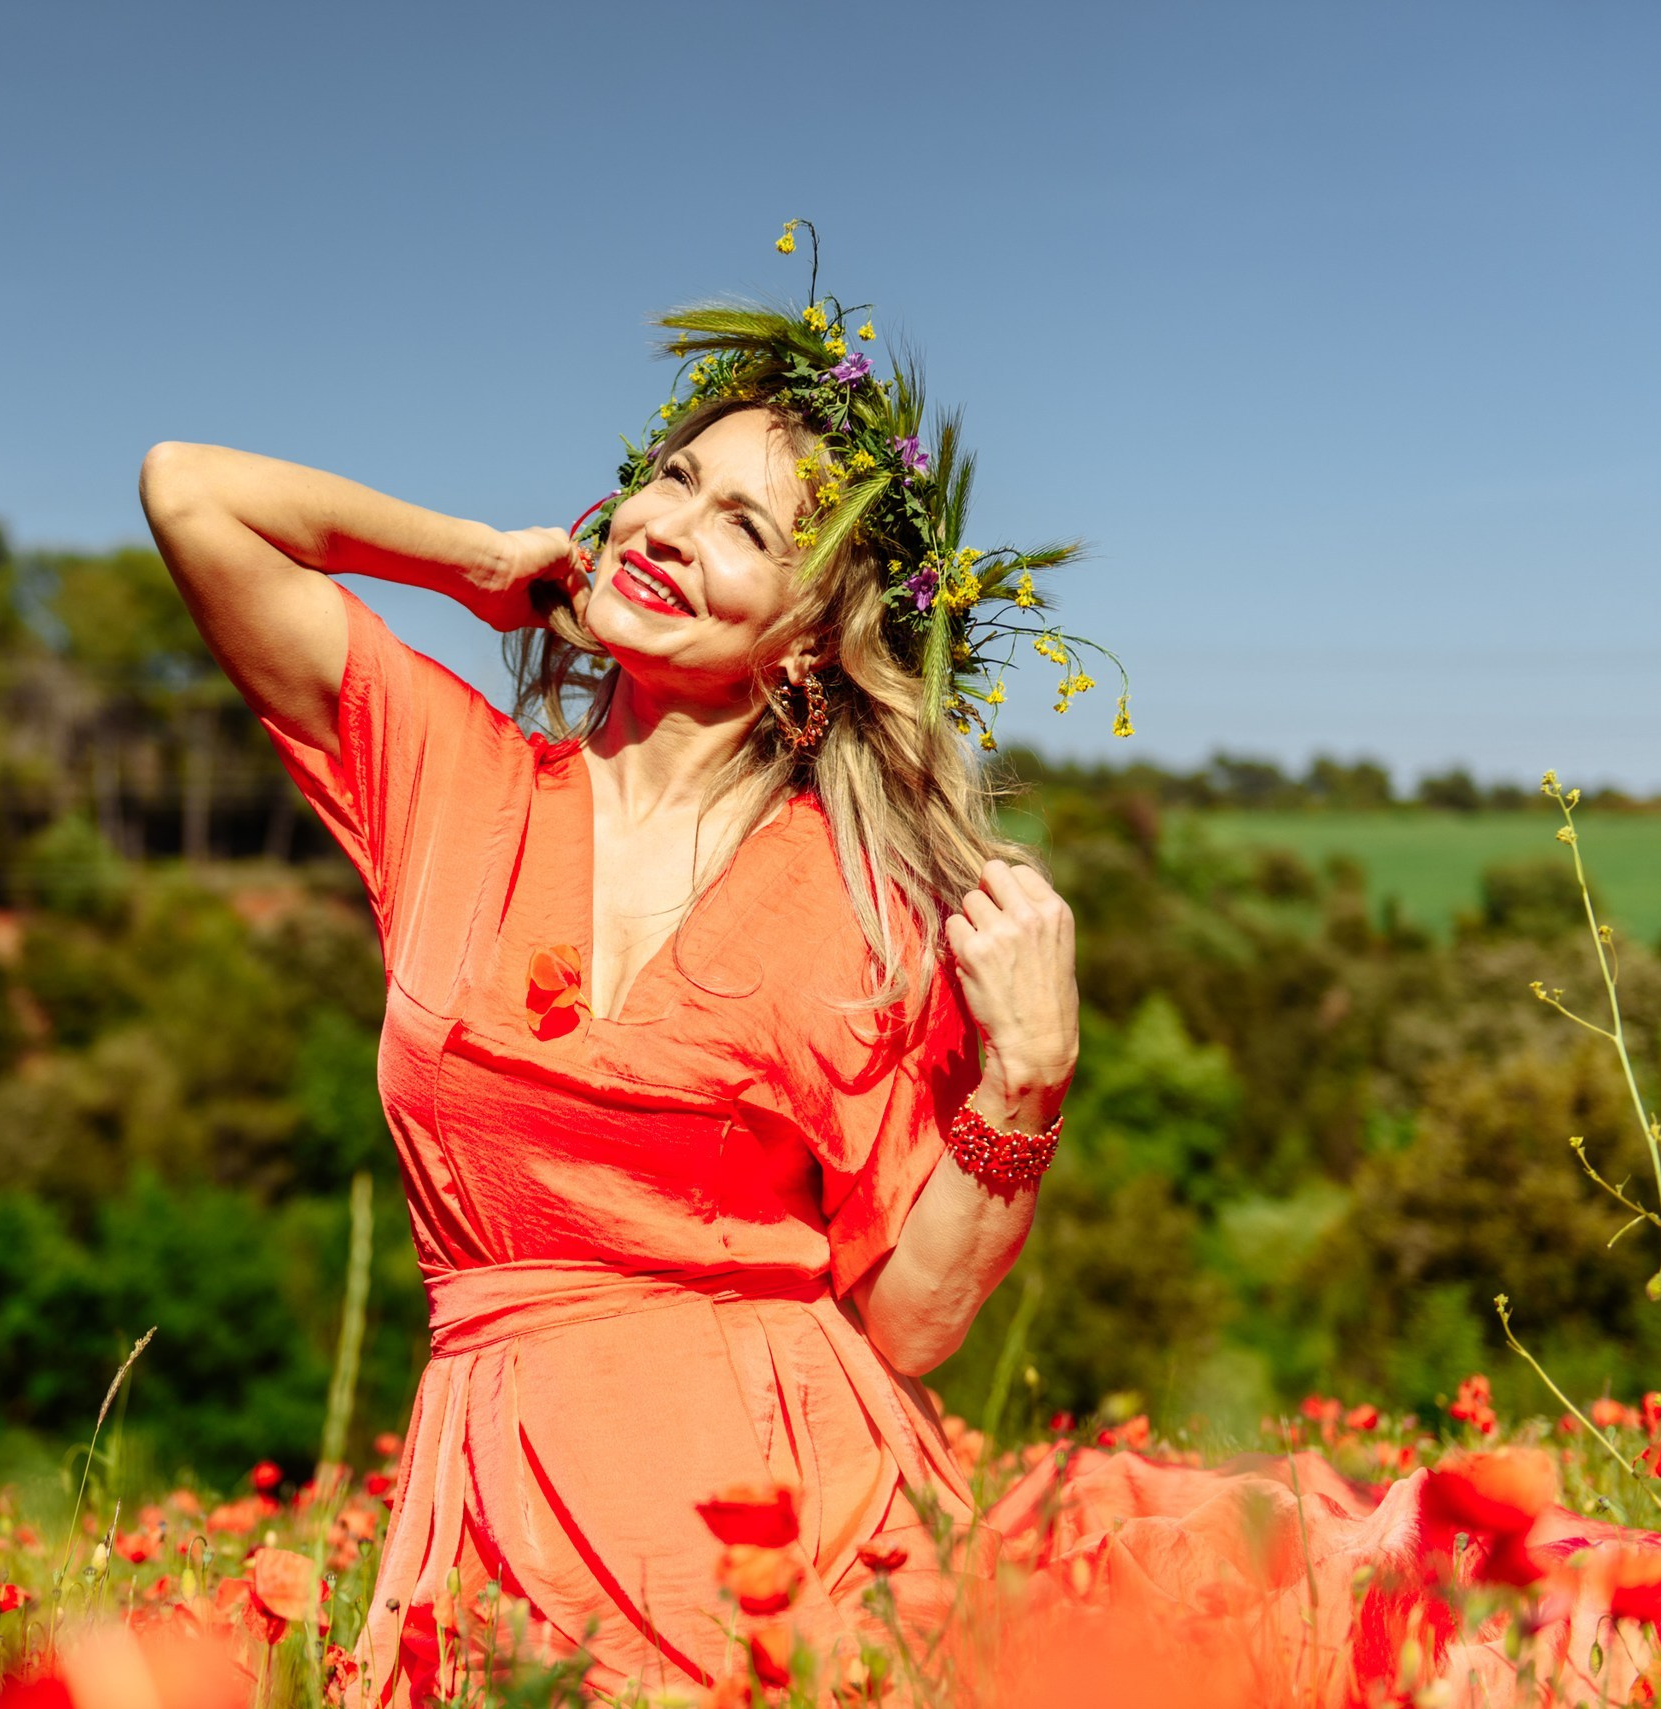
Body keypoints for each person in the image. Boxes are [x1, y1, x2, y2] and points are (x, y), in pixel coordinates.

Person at [138, 231, 1113, 1699]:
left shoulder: (869, 906)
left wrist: (1030, 1078)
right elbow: (191, 491)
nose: (671, 525)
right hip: (498, 1508)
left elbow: (909, 1317)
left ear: (813, 640)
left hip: (793, 1529)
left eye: (746, 528)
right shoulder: (451, 781)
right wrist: (471, 565)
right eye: (671, 478)